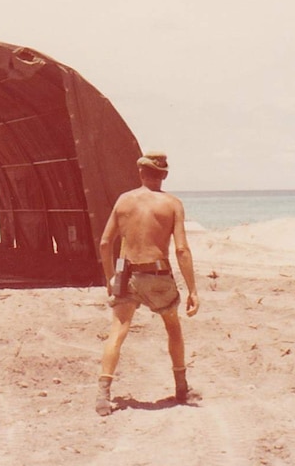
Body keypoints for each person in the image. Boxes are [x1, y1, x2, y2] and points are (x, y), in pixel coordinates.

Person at [96, 151, 200, 416]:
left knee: (117, 331)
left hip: (126, 274)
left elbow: (106, 243)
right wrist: (192, 289)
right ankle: (181, 388)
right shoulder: (172, 204)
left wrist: (110, 278)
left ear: (141, 173)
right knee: (173, 328)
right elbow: (181, 250)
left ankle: (103, 394)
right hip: (157, 277)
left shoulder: (124, 201)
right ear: (163, 175)